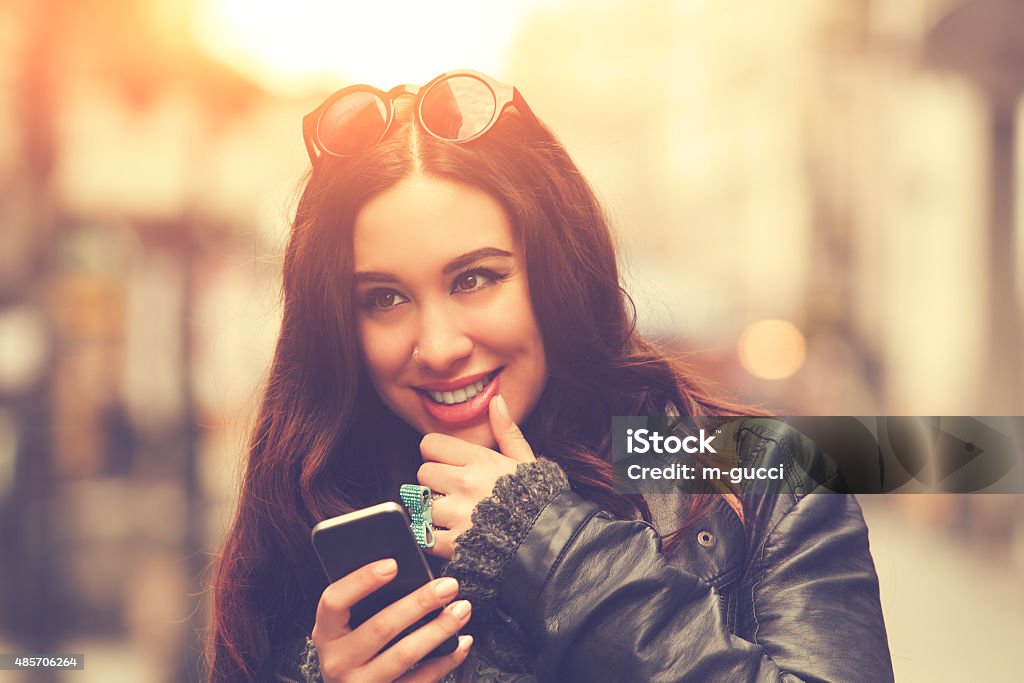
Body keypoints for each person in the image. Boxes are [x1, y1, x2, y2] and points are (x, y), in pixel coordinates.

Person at [205, 70, 894, 683]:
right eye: (384, 298)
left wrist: (547, 543)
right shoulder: (315, 505)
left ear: (555, 270)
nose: (438, 346)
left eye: (476, 277)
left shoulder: (757, 473)